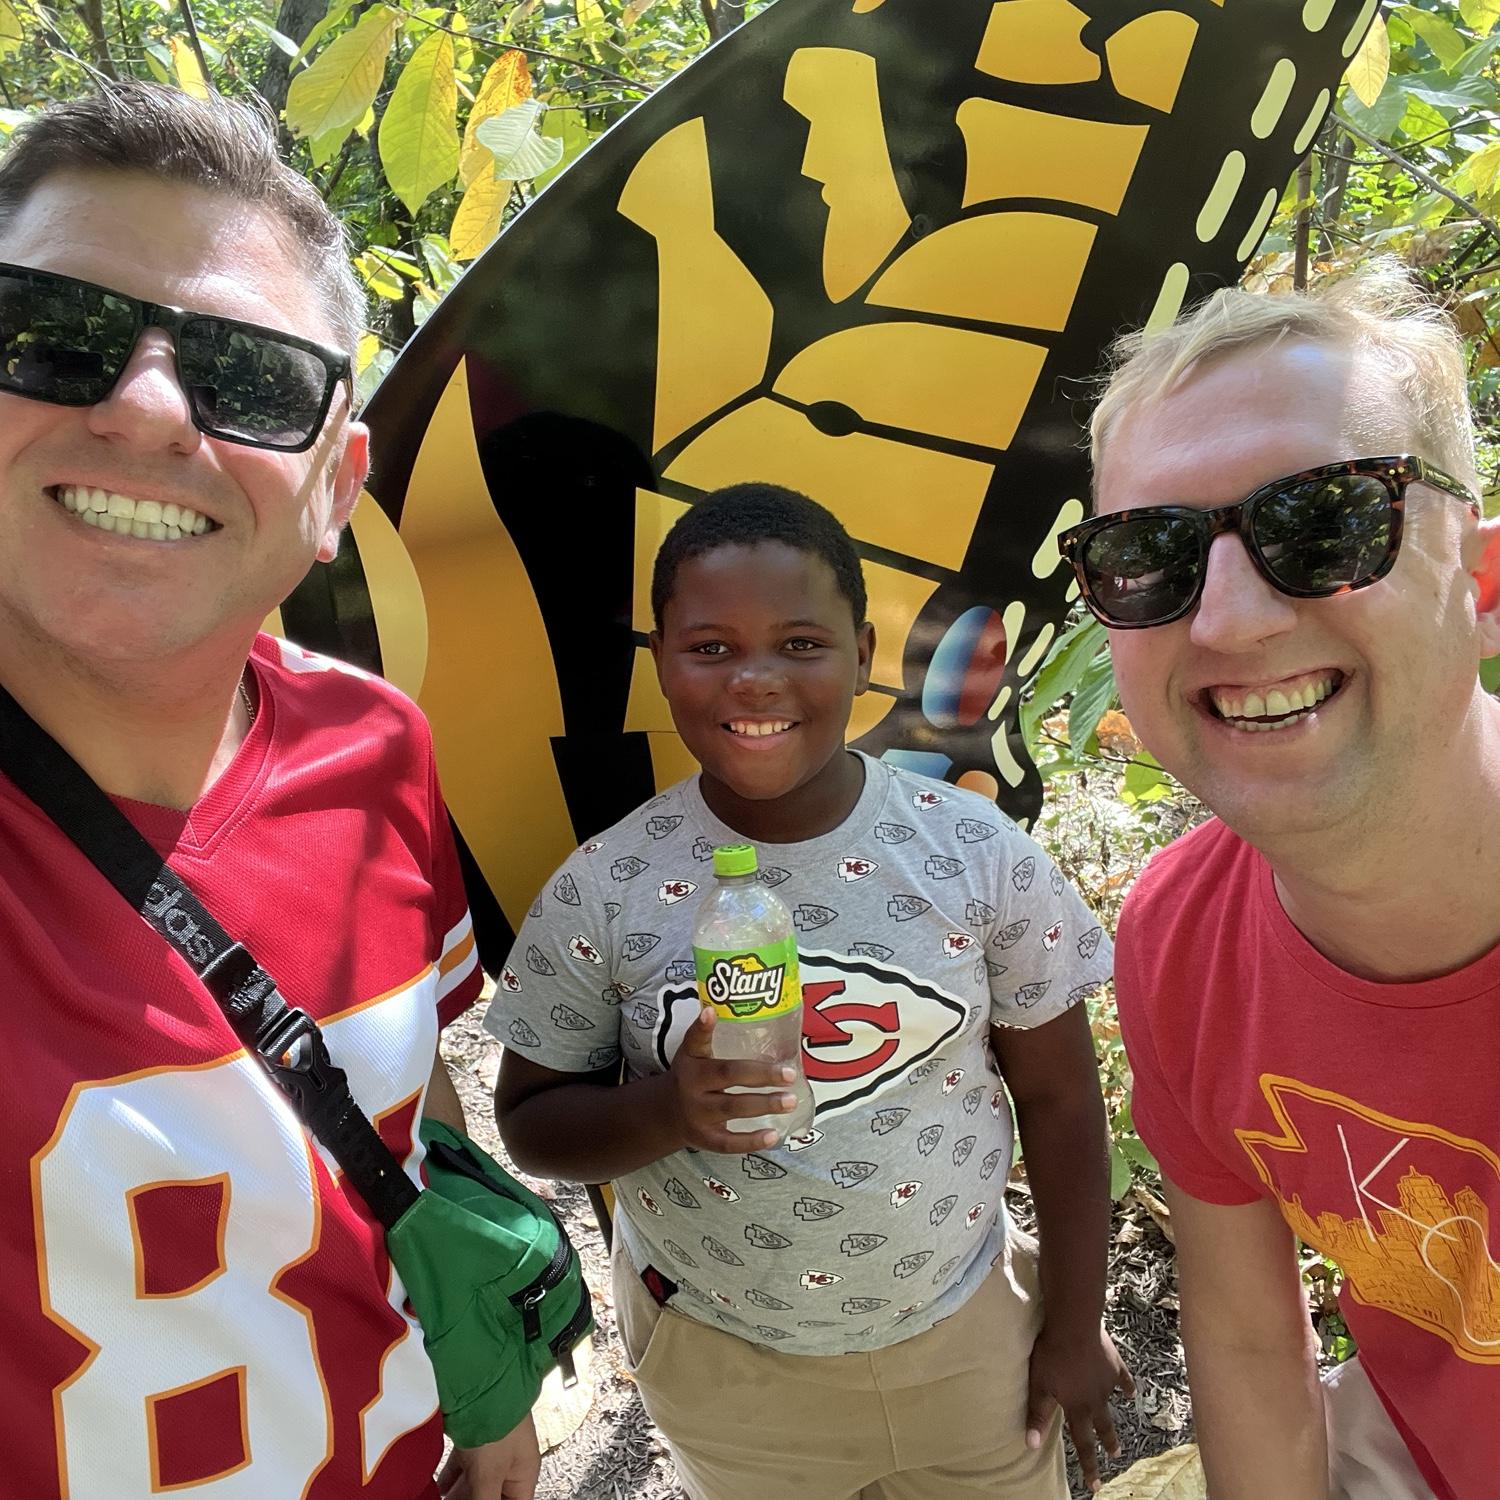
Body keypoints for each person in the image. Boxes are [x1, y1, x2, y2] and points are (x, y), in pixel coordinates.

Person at [0, 84, 540, 1499]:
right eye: (53, 338)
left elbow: (408, 1106)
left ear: (334, 492)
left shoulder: (377, 749)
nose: (142, 406)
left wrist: (484, 1387)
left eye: (247, 382)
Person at [490, 482, 1131, 1498]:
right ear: (661, 663)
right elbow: (529, 1124)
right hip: (727, 1366)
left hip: (966, 1341)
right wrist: (667, 1109)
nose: (755, 681)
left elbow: (1059, 1100)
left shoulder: (972, 854)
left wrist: (1074, 1319)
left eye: (799, 644)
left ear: (865, 655)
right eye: (710, 648)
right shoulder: (608, 889)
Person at [1065, 266, 1500, 1500]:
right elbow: (1255, 1344)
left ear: (1477, 583)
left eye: (1322, 522)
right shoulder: (1178, 937)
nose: (1235, 621)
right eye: (1150, 556)